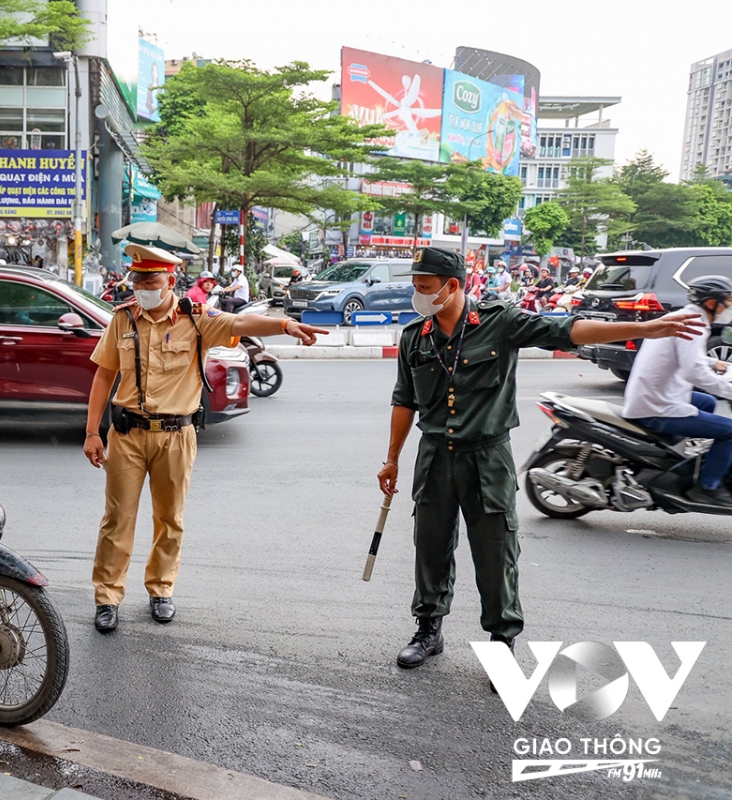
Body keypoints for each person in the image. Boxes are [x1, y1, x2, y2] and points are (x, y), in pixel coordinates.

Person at [378, 247, 703, 679]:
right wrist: (392, 459)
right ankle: (428, 630)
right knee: (431, 545)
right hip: (434, 455)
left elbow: (568, 330)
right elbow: (405, 400)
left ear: (451, 285)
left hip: (486, 456)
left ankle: (501, 642)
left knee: (496, 551)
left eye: (425, 287)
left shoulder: (500, 322)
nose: (418, 295)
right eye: (415, 286)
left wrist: (645, 328)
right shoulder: (414, 337)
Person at [83, 244, 328, 632]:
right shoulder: (124, 320)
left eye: (152, 279)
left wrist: (285, 326)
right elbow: (102, 375)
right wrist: (92, 432)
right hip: (127, 434)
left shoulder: (197, 319)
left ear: (170, 280)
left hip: (176, 436)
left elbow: (240, 325)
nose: (144, 286)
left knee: (170, 519)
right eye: (139, 279)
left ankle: (161, 590)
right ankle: (108, 597)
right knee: (117, 519)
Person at [623, 276, 732, 505]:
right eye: (728, 301)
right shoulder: (694, 323)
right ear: (711, 303)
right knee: (730, 432)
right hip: (656, 406)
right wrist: (728, 390)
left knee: (707, 404)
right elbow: (694, 372)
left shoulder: (683, 317)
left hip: (653, 393)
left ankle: (679, 457)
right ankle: (707, 486)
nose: (729, 307)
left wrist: (715, 364)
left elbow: (689, 357)